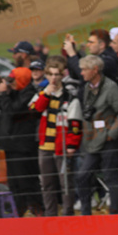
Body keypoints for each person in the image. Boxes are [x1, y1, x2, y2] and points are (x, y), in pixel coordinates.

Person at [73, 54, 118, 215]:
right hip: (92, 140)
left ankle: (115, 212)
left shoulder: (111, 88)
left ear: (95, 70)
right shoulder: (87, 88)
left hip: (108, 140)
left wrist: (112, 134)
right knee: (82, 175)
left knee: (111, 177)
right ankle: (85, 211)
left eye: (84, 69)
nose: (81, 73)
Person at [31, 56, 81, 215]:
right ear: (46, 75)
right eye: (50, 74)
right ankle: (50, 214)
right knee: (46, 183)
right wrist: (46, 95)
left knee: (65, 182)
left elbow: (75, 123)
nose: (53, 78)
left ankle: (68, 213)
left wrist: (72, 144)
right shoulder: (42, 92)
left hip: (62, 145)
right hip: (45, 144)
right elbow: (35, 110)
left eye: (56, 74)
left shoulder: (69, 95)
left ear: (62, 75)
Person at [0, 67, 43, 215]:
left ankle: (37, 210)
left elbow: (12, 111)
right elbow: (1, 107)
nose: (11, 84)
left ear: (22, 80)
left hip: (23, 146)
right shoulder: (16, 93)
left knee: (26, 182)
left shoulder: (29, 94)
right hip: (11, 145)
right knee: (14, 183)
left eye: (13, 80)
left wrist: (4, 94)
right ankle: (20, 212)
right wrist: (0, 91)